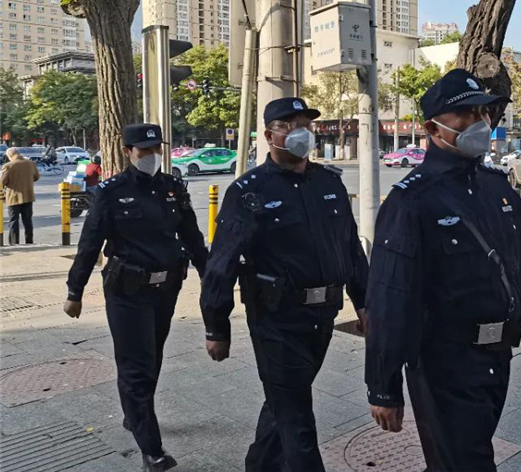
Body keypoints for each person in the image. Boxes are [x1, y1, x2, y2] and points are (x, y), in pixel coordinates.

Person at [365, 69, 521, 472]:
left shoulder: (498, 188)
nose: (480, 121)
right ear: (433, 128)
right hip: (443, 363)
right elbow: (390, 297)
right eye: (466, 114)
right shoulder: (411, 200)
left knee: (458, 459)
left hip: (497, 356)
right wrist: (383, 386)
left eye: (483, 111)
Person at [200, 97, 368, 472]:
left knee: (285, 404)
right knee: (298, 419)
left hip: (323, 315)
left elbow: (350, 246)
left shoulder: (328, 182)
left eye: (305, 125)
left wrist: (364, 301)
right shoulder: (249, 191)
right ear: (269, 135)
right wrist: (216, 327)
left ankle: (259, 465)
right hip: (276, 320)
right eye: (288, 125)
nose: (299, 133)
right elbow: (221, 264)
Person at [63, 124, 208, 472]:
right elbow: (89, 244)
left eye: (157, 149)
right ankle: (152, 452)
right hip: (127, 291)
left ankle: (135, 411)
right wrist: (74, 291)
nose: (151, 156)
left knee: (152, 356)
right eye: (144, 150)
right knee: (136, 366)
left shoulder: (173, 188)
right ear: (128, 152)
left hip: (166, 289)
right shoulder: (111, 192)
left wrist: (211, 277)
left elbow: (192, 237)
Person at [1, 147, 40, 245]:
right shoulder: (31, 164)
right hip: (28, 195)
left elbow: (2, 182)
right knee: (27, 220)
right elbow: (36, 177)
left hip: (13, 197)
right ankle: (29, 241)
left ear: (10, 156)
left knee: (13, 221)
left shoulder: (8, 166)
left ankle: (14, 243)